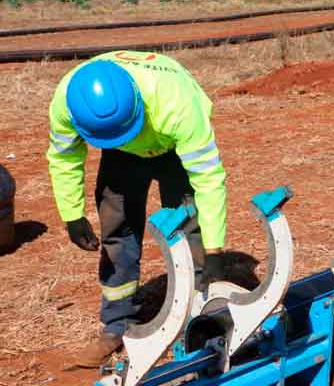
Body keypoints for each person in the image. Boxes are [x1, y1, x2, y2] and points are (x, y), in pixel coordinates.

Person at [46, 50, 228, 367]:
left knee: (188, 227)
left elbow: (208, 178)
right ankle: (117, 325)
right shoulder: (67, 101)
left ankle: (199, 317)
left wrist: (214, 251)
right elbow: (64, 157)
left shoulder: (179, 105)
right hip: (121, 151)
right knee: (117, 228)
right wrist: (71, 214)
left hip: (169, 144)